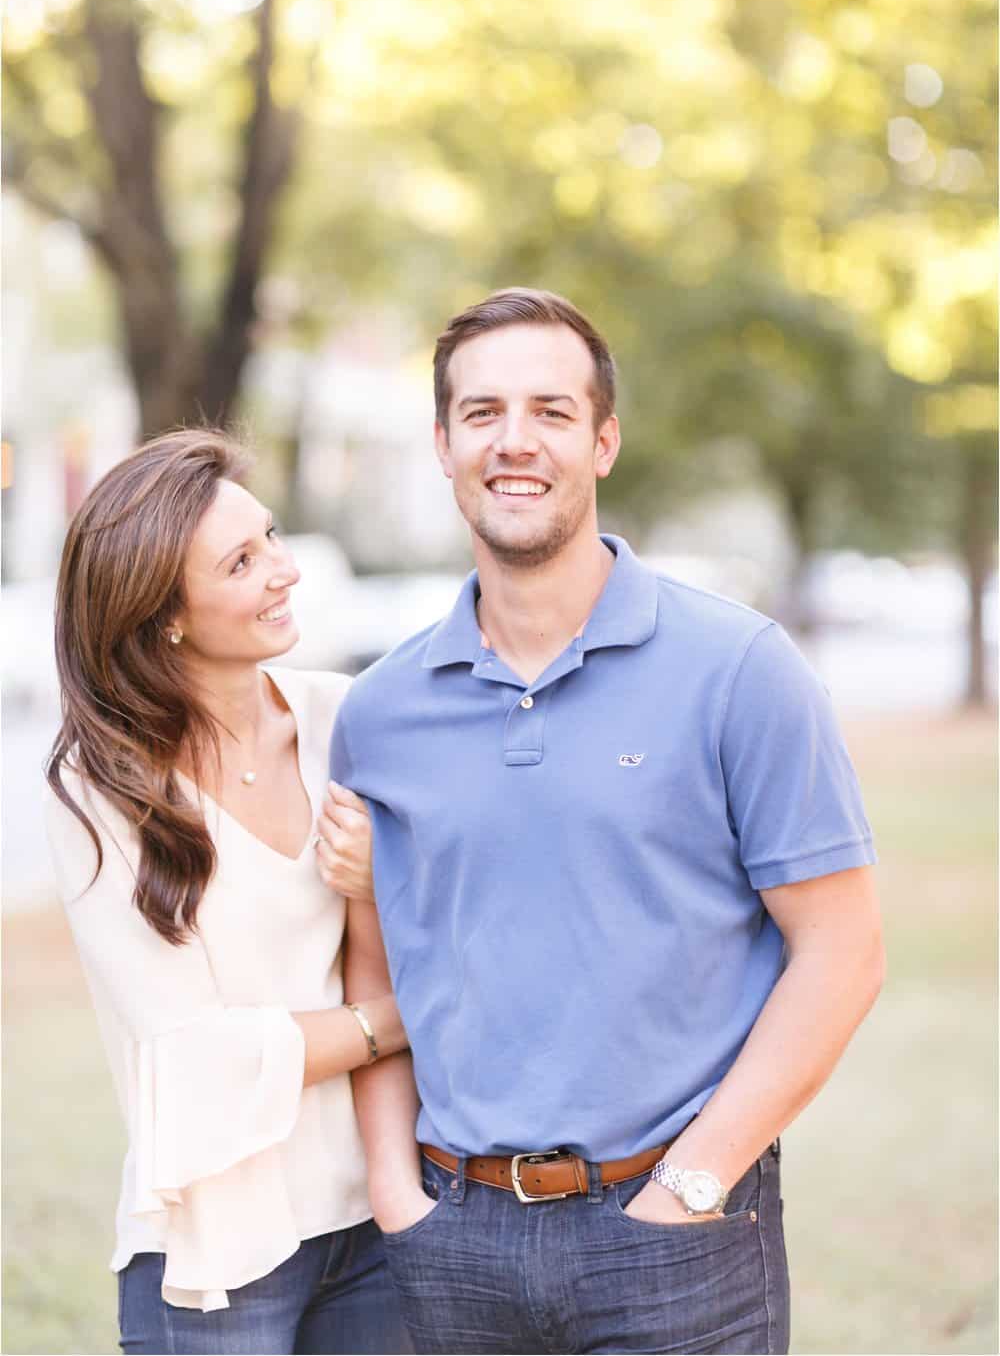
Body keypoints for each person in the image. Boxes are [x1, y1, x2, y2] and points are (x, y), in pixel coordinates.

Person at [329, 287, 885, 1356]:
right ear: (443, 444)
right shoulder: (382, 710)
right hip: (455, 1237)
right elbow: (373, 960)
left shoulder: (737, 670)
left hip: (679, 1229)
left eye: (550, 409)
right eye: (482, 412)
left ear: (604, 440)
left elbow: (843, 948)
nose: (514, 440)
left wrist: (691, 1183)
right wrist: (397, 1193)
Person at [44, 429, 412, 1355]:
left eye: (273, 537)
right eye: (242, 562)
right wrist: (393, 1020)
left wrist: (379, 890)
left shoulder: (345, 718)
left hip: (376, 1218)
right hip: (215, 1252)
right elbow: (191, 1058)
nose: (284, 571)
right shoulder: (102, 793)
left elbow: (442, 927)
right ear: (164, 612)